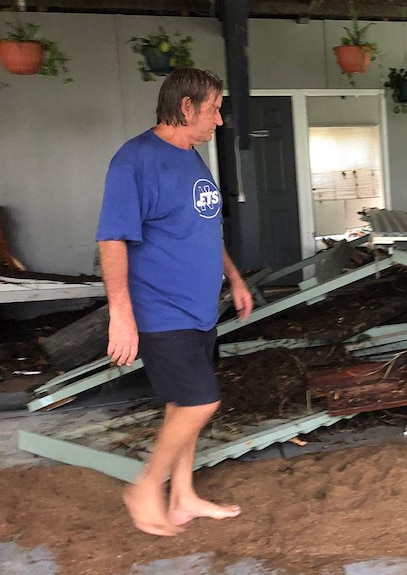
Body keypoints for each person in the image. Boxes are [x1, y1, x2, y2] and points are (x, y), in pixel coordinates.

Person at [95, 68, 253, 537]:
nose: (219, 121)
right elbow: (112, 239)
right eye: (213, 110)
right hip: (162, 311)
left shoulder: (192, 159)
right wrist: (121, 315)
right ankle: (146, 485)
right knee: (200, 401)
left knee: (181, 403)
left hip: (200, 308)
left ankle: (182, 498)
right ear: (186, 108)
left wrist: (235, 277)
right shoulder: (135, 160)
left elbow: (202, 228)